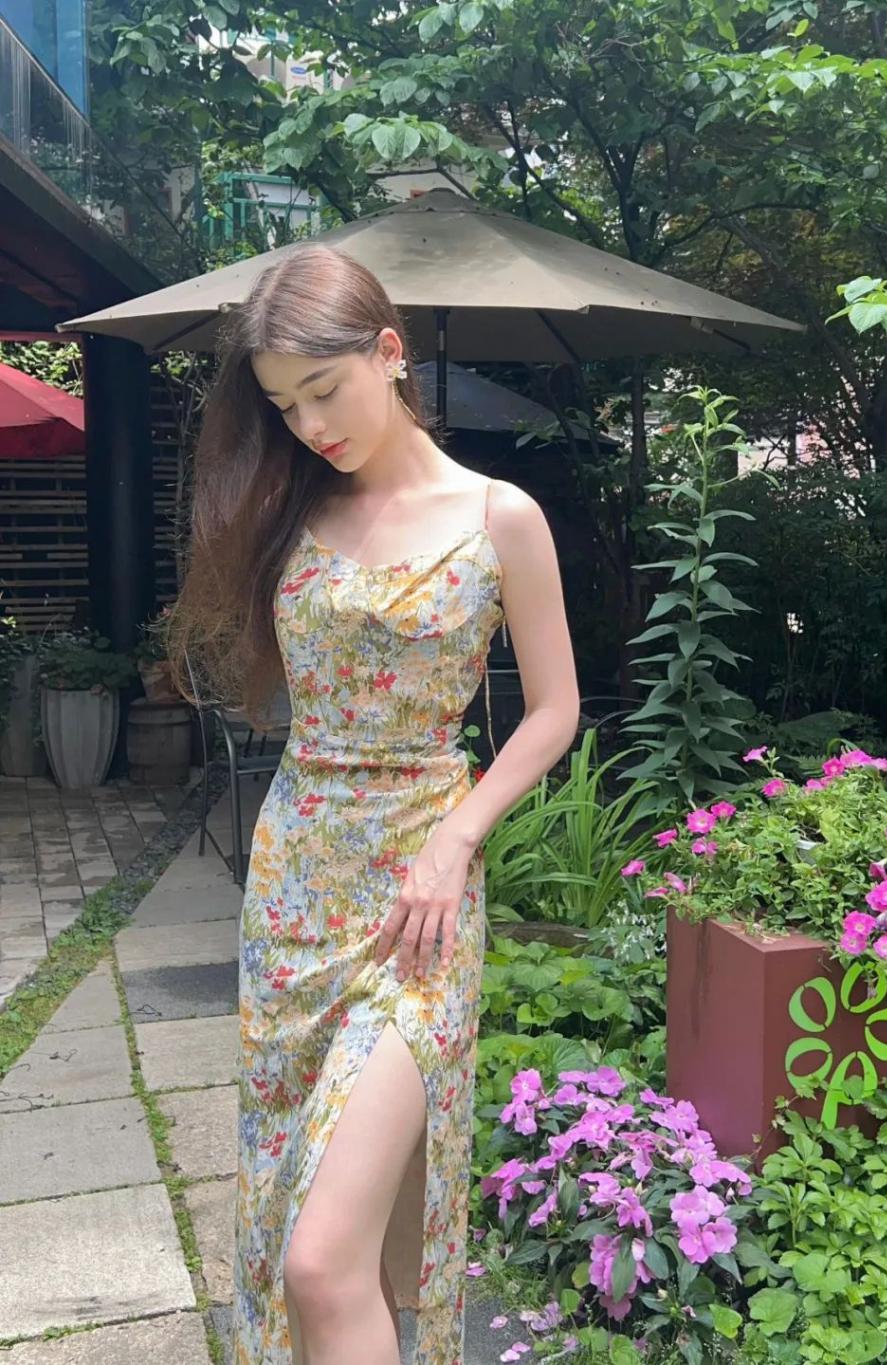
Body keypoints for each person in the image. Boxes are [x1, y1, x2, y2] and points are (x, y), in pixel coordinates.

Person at [166, 240, 580, 1365]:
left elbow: (553, 710)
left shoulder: (500, 516)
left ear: (389, 352)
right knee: (307, 1223)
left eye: (324, 389)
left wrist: (457, 835)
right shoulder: (291, 509)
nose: (309, 425)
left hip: (419, 905)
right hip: (296, 885)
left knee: (322, 1258)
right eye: (284, 406)